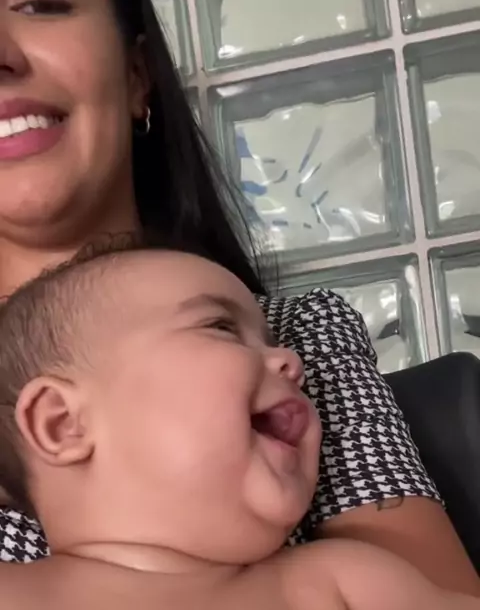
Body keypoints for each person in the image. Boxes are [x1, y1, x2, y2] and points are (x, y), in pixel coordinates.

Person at [0, 0, 477, 594]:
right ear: (56, 421)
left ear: (136, 74)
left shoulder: (295, 341)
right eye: (220, 328)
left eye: (41, 4)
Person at [0, 246, 478, 610]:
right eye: (221, 327)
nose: (290, 361)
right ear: (62, 423)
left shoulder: (338, 582)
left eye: (270, 339)